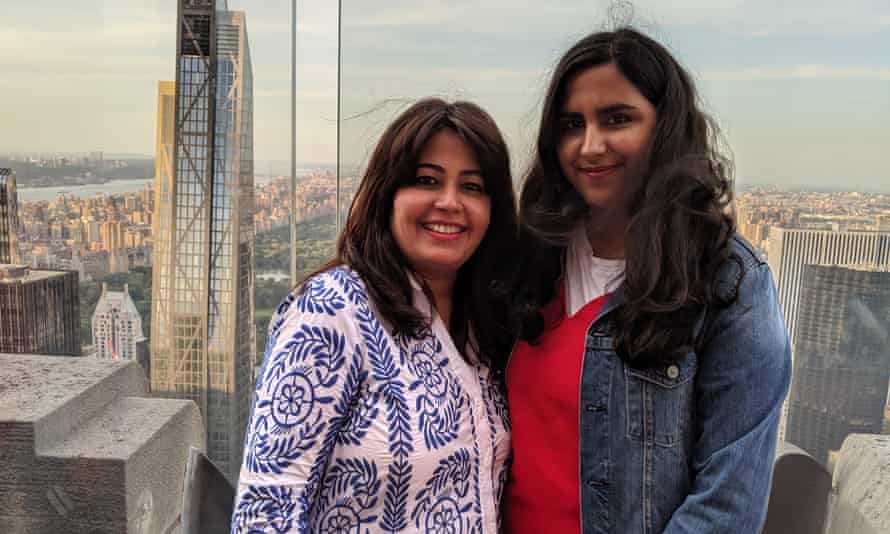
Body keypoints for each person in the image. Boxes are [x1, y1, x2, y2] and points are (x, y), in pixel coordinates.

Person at [505, 27, 791, 534]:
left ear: (666, 128)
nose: (589, 146)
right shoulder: (531, 257)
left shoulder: (727, 283)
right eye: (571, 124)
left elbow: (728, 505)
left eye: (617, 119)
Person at [231, 98, 517, 533]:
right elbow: (267, 511)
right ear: (388, 194)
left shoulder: (484, 329)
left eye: (473, 187)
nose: (449, 202)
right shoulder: (333, 312)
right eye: (426, 180)